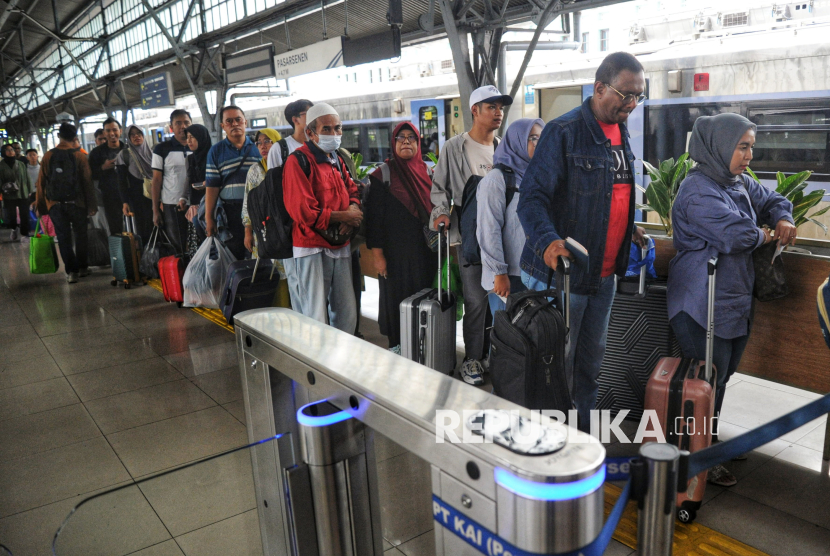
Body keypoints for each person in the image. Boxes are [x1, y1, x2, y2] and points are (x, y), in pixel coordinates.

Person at [517, 52, 648, 432]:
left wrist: (628, 229)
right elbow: (532, 199)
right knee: (556, 368)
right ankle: (548, 443)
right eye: (626, 95)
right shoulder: (564, 131)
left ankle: (583, 439)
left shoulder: (621, 133)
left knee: (590, 366)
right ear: (599, 88)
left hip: (602, 277)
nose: (632, 104)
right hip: (565, 276)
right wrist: (548, 241)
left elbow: (612, 195)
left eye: (639, 96)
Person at [668, 113, 795, 486]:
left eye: (751, 147)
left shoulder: (737, 183)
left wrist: (782, 217)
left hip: (733, 301)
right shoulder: (696, 190)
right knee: (704, 382)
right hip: (700, 303)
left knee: (720, 379)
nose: (749, 156)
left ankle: (708, 443)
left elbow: (772, 198)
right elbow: (735, 235)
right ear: (720, 146)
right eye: (742, 147)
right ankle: (697, 458)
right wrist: (767, 233)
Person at [430, 84, 512, 385]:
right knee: (477, 301)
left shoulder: (503, 147)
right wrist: (440, 212)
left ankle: (496, 353)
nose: (498, 113)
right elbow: (440, 188)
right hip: (468, 236)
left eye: (500, 107)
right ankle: (472, 358)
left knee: (501, 299)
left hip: (500, 237)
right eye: (491, 107)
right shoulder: (455, 147)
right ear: (474, 110)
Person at [281, 102, 362, 333]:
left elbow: (353, 190)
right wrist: (343, 216)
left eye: (338, 128)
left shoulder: (336, 160)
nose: (334, 134)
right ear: (310, 132)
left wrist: (352, 212)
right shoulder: (297, 161)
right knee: (314, 315)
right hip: (311, 247)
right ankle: (316, 365)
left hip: (340, 244)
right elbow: (303, 211)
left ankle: (341, 362)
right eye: (327, 129)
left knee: (346, 313)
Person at [365, 122, 438, 353]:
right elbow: (373, 221)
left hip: (425, 252)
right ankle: (397, 345)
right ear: (394, 143)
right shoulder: (382, 175)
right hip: (394, 255)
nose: (406, 142)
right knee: (396, 300)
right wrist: (378, 256)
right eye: (400, 138)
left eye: (411, 138)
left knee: (423, 297)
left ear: (418, 143)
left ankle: (422, 346)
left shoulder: (428, 173)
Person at [477, 118, 544, 317]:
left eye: (542, 138)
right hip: (507, 277)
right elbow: (488, 230)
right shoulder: (497, 180)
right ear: (517, 141)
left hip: (535, 273)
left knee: (535, 337)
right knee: (509, 340)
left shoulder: (539, 177)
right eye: (533, 138)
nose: (538, 144)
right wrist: (499, 273)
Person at [34, 123, 96, 283]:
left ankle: (71, 272)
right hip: (77, 203)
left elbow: (41, 183)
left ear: (59, 136)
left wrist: (41, 206)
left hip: (55, 204)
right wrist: (92, 205)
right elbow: (87, 182)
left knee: (63, 237)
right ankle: (83, 268)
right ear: (75, 137)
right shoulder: (80, 156)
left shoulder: (48, 156)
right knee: (81, 235)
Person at [204, 105, 261, 260]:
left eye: (238, 120)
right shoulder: (216, 151)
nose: (235, 124)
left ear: (245, 122)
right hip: (231, 212)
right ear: (223, 126)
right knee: (233, 253)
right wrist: (209, 218)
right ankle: (239, 283)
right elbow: (212, 187)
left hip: (257, 210)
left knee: (258, 252)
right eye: (229, 121)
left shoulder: (258, 148)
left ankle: (256, 284)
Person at [152, 109, 192, 252]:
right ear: (171, 127)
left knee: (198, 244)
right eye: (178, 123)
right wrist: (155, 210)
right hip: (172, 205)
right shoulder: (161, 149)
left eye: (186, 122)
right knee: (178, 246)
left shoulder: (198, 147)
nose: (183, 126)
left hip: (195, 203)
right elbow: (156, 181)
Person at [242, 128, 281, 257]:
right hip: (263, 229)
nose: (262, 146)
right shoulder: (255, 171)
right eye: (259, 143)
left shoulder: (287, 166)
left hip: (285, 228)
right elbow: (248, 203)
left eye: (267, 141)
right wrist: (248, 231)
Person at [115, 126, 155, 240]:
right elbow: (121, 181)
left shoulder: (152, 154)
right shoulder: (124, 155)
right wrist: (125, 202)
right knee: (143, 229)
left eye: (139, 133)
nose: (136, 136)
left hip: (156, 197)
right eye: (132, 135)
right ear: (128, 138)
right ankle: (147, 255)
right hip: (137, 200)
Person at [89, 118, 126, 235]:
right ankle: (119, 252)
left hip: (130, 195)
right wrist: (102, 168)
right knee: (115, 228)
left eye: (114, 130)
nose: (111, 133)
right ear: (104, 133)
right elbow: (90, 175)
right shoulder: (96, 153)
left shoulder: (128, 149)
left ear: (120, 131)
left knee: (134, 225)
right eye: (108, 131)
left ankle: (137, 251)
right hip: (110, 197)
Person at [184, 124, 212, 247]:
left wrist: (209, 183)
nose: (189, 141)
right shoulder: (191, 158)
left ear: (201, 138)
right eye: (187, 137)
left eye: (192, 137)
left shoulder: (212, 155)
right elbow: (189, 180)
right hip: (196, 205)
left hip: (211, 202)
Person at [1, 143, 32, 241]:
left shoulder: (21, 164)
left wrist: (29, 190)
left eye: (12, 150)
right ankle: (14, 228)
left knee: (24, 214)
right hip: (9, 194)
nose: (11, 151)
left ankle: (24, 234)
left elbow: (27, 177)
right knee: (11, 216)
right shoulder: (1, 166)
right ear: (3, 152)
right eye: (8, 150)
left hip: (23, 192)